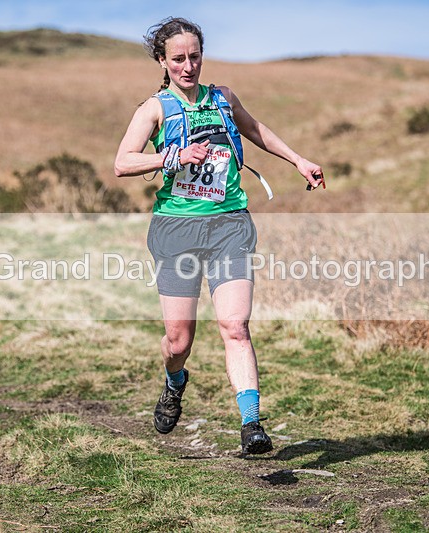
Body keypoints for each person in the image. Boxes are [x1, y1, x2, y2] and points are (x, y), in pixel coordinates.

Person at [114, 17, 324, 454]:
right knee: (178, 340)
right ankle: (174, 381)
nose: (189, 66)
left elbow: (256, 130)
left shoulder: (223, 98)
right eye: (178, 59)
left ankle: (252, 425)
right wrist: (172, 155)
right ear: (162, 61)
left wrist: (298, 160)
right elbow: (122, 162)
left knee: (235, 325)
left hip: (229, 224)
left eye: (195, 56)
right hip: (176, 229)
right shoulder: (154, 108)